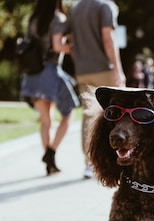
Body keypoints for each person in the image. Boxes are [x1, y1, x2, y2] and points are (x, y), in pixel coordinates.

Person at [20, 0, 80, 176]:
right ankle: (51, 152)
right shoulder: (58, 18)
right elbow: (57, 46)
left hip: (32, 73)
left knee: (46, 121)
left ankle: (50, 163)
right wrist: (71, 47)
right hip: (50, 73)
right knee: (68, 115)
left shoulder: (34, 18)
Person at [69, 0, 126, 178]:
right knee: (115, 112)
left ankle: (89, 163)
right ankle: (117, 159)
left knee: (88, 115)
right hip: (104, 69)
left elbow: (71, 40)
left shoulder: (75, 8)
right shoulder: (105, 6)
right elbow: (108, 39)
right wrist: (118, 70)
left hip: (82, 71)